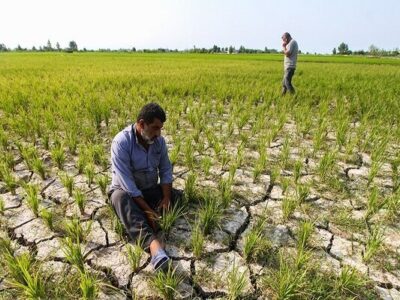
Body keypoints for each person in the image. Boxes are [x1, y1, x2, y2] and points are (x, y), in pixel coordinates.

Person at [108, 102, 177, 272]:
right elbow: (128, 184)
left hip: (149, 189)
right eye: (154, 128)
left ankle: (149, 214)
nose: (158, 133)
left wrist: (166, 198)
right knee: (120, 199)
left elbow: (166, 169)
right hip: (127, 192)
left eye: (160, 128)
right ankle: (155, 249)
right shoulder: (121, 142)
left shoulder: (159, 142)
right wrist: (147, 210)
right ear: (141, 124)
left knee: (176, 196)